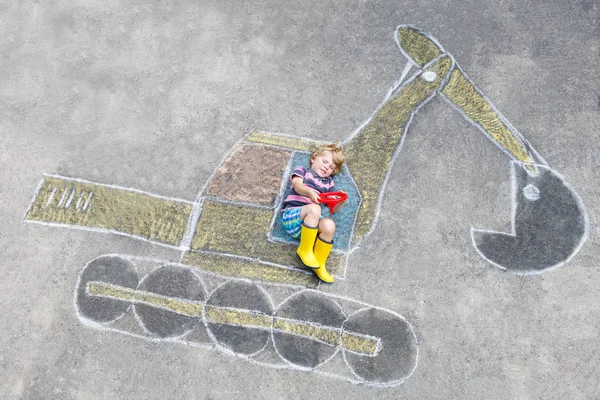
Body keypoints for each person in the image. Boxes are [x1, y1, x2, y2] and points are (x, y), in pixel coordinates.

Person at [281, 142, 346, 283]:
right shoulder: (302, 171)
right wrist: (309, 192)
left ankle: (318, 263)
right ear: (314, 158)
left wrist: (340, 201)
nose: (326, 167)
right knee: (315, 208)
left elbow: (333, 210)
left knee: (329, 225)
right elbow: (297, 186)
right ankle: (304, 250)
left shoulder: (328, 183)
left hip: (309, 229)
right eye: (324, 161)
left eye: (331, 167)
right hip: (292, 217)